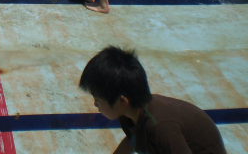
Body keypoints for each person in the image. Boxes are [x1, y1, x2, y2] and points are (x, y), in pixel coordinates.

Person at [79, 46, 226, 154]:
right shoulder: (130, 113)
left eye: (98, 99)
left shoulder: (161, 128)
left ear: (123, 101)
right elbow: (132, 139)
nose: (95, 104)